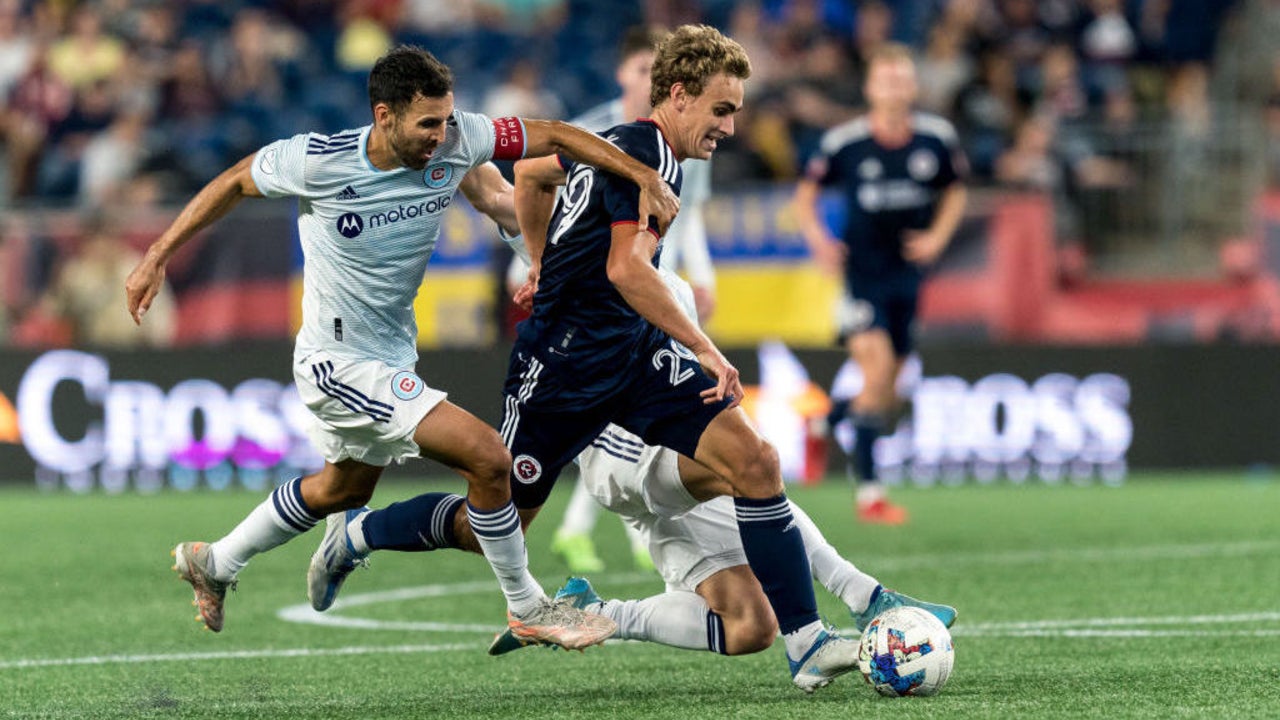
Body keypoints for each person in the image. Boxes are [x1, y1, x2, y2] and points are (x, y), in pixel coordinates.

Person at [310, 24, 857, 691]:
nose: (731, 127)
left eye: (736, 111)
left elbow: (536, 171)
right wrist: (706, 346)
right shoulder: (642, 152)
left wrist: (542, 259)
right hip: (563, 371)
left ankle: (805, 643)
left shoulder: (641, 149)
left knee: (756, 460)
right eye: (722, 109)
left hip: (632, 354)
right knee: (486, 528)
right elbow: (629, 269)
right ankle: (358, 535)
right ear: (679, 96)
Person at [125, 45, 679, 650]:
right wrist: (157, 257)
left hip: (390, 353)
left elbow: (557, 139)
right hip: (337, 362)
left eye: (446, 122)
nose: (441, 138)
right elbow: (233, 181)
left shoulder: (459, 138)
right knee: (488, 457)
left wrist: (637, 175)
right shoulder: (319, 161)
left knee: (343, 490)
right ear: (383, 116)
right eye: (427, 125)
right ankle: (527, 605)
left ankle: (218, 561)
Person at [485, 269, 956, 693]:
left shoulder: (663, 260)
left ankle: (591, 612)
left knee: (750, 627)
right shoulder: (609, 236)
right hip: (622, 451)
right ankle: (860, 599)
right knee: (750, 465)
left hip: (664, 445)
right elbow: (522, 187)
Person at [545, 25, 719, 576]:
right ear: (624, 73)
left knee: (617, 419)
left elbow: (684, 213)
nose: (653, 81)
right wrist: (529, 262)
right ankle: (631, 527)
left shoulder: (683, 142)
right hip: (599, 295)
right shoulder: (595, 132)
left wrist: (701, 272)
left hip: (650, 284)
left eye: (658, 72)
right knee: (611, 418)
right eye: (643, 70)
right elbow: (552, 201)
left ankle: (610, 528)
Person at [794, 43, 968, 525]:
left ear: (913, 87)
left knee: (888, 390)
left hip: (907, 278)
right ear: (871, 88)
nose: (893, 87)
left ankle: (824, 422)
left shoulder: (935, 138)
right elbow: (805, 196)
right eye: (884, 79)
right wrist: (820, 241)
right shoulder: (846, 143)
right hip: (862, 277)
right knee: (875, 376)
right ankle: (870, 494)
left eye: (901, 79)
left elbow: (955, 191)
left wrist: (937, 236)